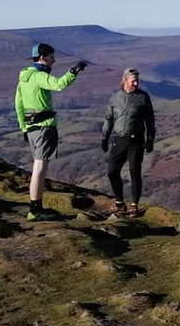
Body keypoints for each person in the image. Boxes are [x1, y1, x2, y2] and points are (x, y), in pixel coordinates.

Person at [14, 42, 88, 220]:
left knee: (37, 166)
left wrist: (24, 127)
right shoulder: (39, 76)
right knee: (40, 168)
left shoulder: (24, 78)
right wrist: (74, 71)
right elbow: (58, 85)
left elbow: (18, 104)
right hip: (44, 126)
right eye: (52, 57)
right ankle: (35, 210)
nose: (54, 60)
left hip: (31, 127)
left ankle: (36, 208)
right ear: (43, 58)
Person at [100, 68, 156, 219]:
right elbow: (109, 119)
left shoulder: (143, 97)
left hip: (136, 140)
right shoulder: (115, 97)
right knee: (112, 171)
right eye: (133, 81)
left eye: (137, 81)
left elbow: (150, 119)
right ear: (124, 81)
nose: (136, 83)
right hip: (118, 139)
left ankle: (134, 205)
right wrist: (104, 138)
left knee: (134, 172)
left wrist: (150, 139)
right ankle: (119, 202)